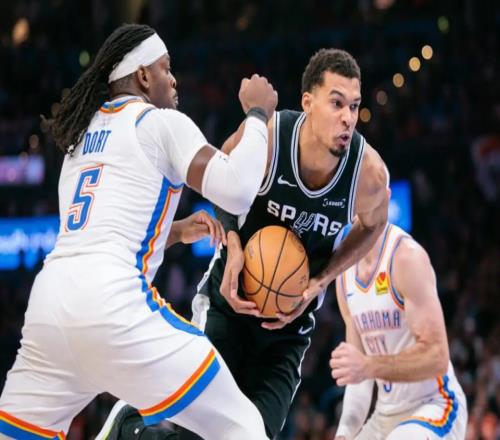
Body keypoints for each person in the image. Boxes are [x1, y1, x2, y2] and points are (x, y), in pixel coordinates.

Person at [0, 23, 278, 440]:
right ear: (143, 76)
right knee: (241, 424)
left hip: (48, 311)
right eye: (166, 68)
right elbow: (237, 190)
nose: (174, 79)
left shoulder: (78, 140)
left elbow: (101, 231)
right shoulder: (158, 122)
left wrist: (175, 231)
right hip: (112, 309)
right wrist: (258, 115)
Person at [100, 48, 390, 440]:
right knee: (196, 434)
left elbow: (374, 225)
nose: (348, 118)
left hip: (288, 331)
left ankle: (131, 429)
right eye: (336, 103)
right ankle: (130, 427)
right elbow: (221, 167)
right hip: (229, 306)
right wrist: (234, 245)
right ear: (308, 103)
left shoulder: (367, 174)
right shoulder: (272, 138)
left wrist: (322, 280)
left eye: (354, 106)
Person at [331, 222, 468, 439]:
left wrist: (368, 366)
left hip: (435, 405)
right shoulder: (343, 275)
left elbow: (437, 357)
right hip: (385, 415)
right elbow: (359, 379)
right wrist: (344, 434)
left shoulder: (405, 256)